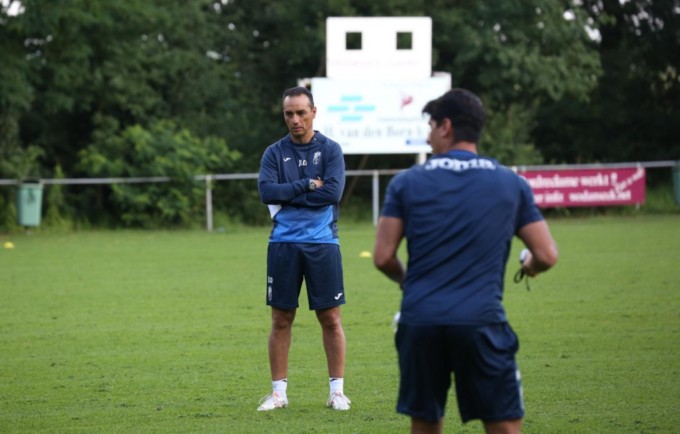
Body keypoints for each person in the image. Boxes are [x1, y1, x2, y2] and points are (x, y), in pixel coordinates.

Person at [373, 88, 558, 434]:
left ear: (446, 126)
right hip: (481, 322)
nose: (427, 136)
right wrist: (529, 265)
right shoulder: (510, 183)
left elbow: (383, 257)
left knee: (425, 423)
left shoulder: (407, 183)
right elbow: (547, 254)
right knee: (503, 424)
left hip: (421, 321)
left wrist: (407, 281)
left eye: (430, 126)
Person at [256, 86, 351, 412]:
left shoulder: (330, 151)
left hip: (323, 243)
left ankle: (337, 392)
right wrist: (307, 184)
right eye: (288, 114)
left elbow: (333, 194)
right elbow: (267, 192)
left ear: (313, 112)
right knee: (281, 319)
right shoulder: (273, 153)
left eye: (300, 112)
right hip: (283, 244)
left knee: (330, 318)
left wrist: (289, 194)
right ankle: (278, 394)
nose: (295, 119)